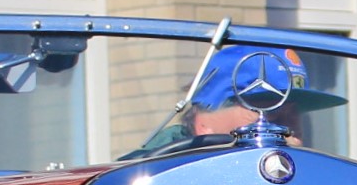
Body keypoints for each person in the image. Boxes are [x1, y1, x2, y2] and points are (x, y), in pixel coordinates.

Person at [129, 43, 345, 156]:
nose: (289, 134)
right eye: (266, 113)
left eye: (292, 116)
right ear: (204, 120)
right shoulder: (146, 183)